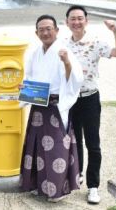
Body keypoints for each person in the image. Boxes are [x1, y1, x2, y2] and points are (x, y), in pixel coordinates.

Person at [19, 15, 84, 202]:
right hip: (39, 105)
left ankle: (57, 190)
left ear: (56, 30)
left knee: (57, 147)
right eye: (41, 29)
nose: (45, 32)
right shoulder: (35, 53)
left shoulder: (64, 50)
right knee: (36, 145)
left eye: (49, 28)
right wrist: (24, 88)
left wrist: (66, 62)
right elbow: (29, 77)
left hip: (56, 105)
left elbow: (76, 79)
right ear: (36, 32)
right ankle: (37, 185)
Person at [65, 5, 116, 204]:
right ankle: (77, 175)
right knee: (74, 141)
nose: (76, 21)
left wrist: (115, 30)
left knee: (93, 144)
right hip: (70, 98)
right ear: (67, 23)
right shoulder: (63, 44)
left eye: (80, 18)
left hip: (90, 97)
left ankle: (93, 186)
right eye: (72, 18)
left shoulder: (96, 42)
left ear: (86, 21)